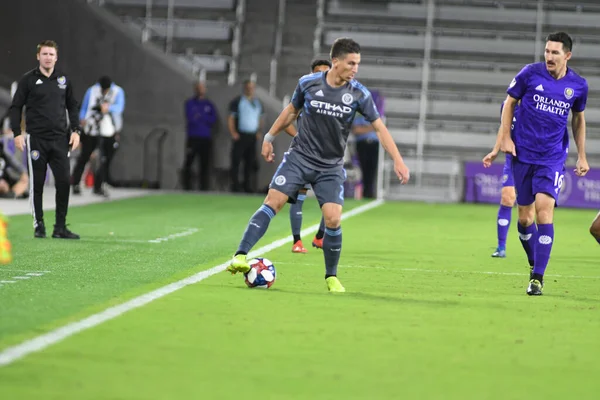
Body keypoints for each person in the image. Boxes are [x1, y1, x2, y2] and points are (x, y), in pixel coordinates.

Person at [226, 38, 410, 292]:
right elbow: (291, 112)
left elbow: (379, 128)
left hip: (330, 167)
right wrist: (269, 137)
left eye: (358, 63)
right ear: (336, 62)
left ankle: (331, 277)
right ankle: (240, 255)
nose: (355, 68)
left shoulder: (359, 93)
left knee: (333, 219)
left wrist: (398, 160)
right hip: (299, 157)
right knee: (273, 201)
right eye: (351, 63)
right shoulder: (308, 84)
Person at [496, 32, 588, 295]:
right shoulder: (529, 74)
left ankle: (537, 277)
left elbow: (579, 120)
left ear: (567, 55)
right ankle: (534, 260)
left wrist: (582, 155)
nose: (549, 56)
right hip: (523, 154)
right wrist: (505, 138)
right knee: (525, 219)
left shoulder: (578, 86)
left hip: (552, 158)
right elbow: (509, 103)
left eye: (555, 52)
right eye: (547, 51)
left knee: (544, 211)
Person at [8, 40, 81, 239]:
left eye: (51, 54)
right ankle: (39, 225)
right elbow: (16, 107)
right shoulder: (28, 80)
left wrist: (76, 131)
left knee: (64, 181)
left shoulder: (63, 79)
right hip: (36, 140)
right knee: (37, 184)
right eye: (45, 54)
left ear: (56, 58)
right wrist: (16, 133)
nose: (48, 57)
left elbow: (72, 106)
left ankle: (60, 227)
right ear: (38, 57)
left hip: (60, 139)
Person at [283, 59, 331, 253]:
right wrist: (299, 136)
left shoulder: (337, 98)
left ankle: (319, 237)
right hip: (303, 158)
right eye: (318, 72)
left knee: (329, 202)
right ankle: (297, 241)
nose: (322, 76)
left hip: (327, 159)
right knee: (298, 199)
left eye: (325, 72)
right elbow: (286, 120)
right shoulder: (306, 97)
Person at [71, 76, 125, 197]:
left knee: (105, 158)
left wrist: (107, 108)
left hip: (108, 129)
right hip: (91, 128)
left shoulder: (117, 91)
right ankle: (75, 184)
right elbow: (85, 106)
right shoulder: (92, 90)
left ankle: (99, 185)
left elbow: (119, 108)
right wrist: (82, 119)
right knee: (84, 156)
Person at [483, 102, 519, 259]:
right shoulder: (509, 104)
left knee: (529, 214)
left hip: (533, 160)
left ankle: (537, 250)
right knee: (507, 197)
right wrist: (495, 151)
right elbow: (503, 128)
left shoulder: (537, 104)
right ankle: (501, 246)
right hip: (512, 158)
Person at [228, 80, 265, 193]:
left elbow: (261, 118)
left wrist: (259, 131)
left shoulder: (257, 103)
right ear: (245, 88)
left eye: (252, 87)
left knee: (250, 162)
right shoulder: (238, 101)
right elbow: (231, 118)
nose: (250, 89)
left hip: (252, 136)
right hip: (240, 135)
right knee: (236, 161)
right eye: (248, 87)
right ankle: (235, 185)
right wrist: (233, 132)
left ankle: (247, 186)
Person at [182, 81, 217, 191]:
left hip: (206, 138)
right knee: (189, 162)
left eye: (202, 88)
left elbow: (212, 119)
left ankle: (204, 188)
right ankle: (187, 187)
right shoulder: (189, 103)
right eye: (198, 88)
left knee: (205, 164)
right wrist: (203, 118)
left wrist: (201, 117)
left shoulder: (209, 104)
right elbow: (191, 118)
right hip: (193, 137)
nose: (200, 90)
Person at [351, 90, 384, 199]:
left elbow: (379, 128)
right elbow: (356, 130)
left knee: (372, 170)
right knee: (363, 169)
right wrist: (371, 128)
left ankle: (370, 193)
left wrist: (366, 129)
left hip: (374, 144)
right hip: (362, 144)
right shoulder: (358, 114)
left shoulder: (376, 113)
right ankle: (365, 193)